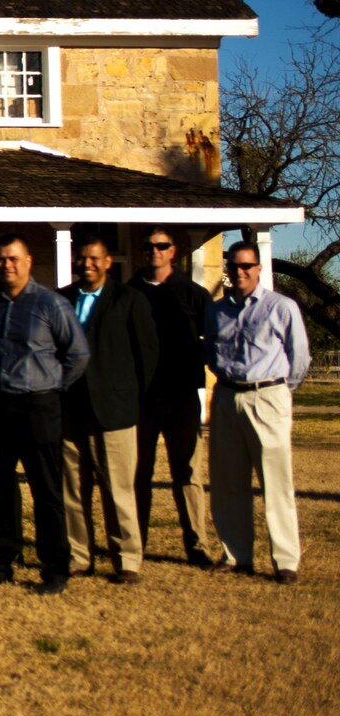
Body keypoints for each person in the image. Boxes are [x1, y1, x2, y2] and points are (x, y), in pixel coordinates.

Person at [0, 234, 90, 594]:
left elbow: (78, 354)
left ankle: (54, 569)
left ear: (29, 261)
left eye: (14, 259)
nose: (8, 265)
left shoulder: (50, 304)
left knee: (47, 491)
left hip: (40, 405)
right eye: (2, 259)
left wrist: (53, 385)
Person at [207, 240, 310, 583]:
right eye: (234, 266)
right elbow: (211, 352)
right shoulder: (217, 311)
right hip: (226, 398)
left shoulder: (281, 307)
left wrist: (278, 392)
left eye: (246, 266)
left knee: (275, 482)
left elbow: (300, 358)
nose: (240, 272)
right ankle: (237, 555)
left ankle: (285, 562)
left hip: (267, 396)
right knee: (228, 483)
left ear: (259, 268)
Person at [59, 237, 158, 583]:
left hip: (114, 411)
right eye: (82, 258)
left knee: (118, 489)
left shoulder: (129, 300)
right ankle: (78, 555)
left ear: (107, 263)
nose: (87, 263)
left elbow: (146, 356)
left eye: (94, 258)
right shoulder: (62, 299)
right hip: (70, 409)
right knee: (72, 488)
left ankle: (127, 559)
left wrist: (129, 399)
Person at [128, 228, 215, 567]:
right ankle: (135, 545)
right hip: (141, 399)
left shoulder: (194, 295)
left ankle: (197, 545)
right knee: (138, 474)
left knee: (188, 474)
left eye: (162, 246)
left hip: (180, 395)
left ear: (173, 251)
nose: (155, 252)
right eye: (149, 246)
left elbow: (212, 343)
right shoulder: (128, 293)